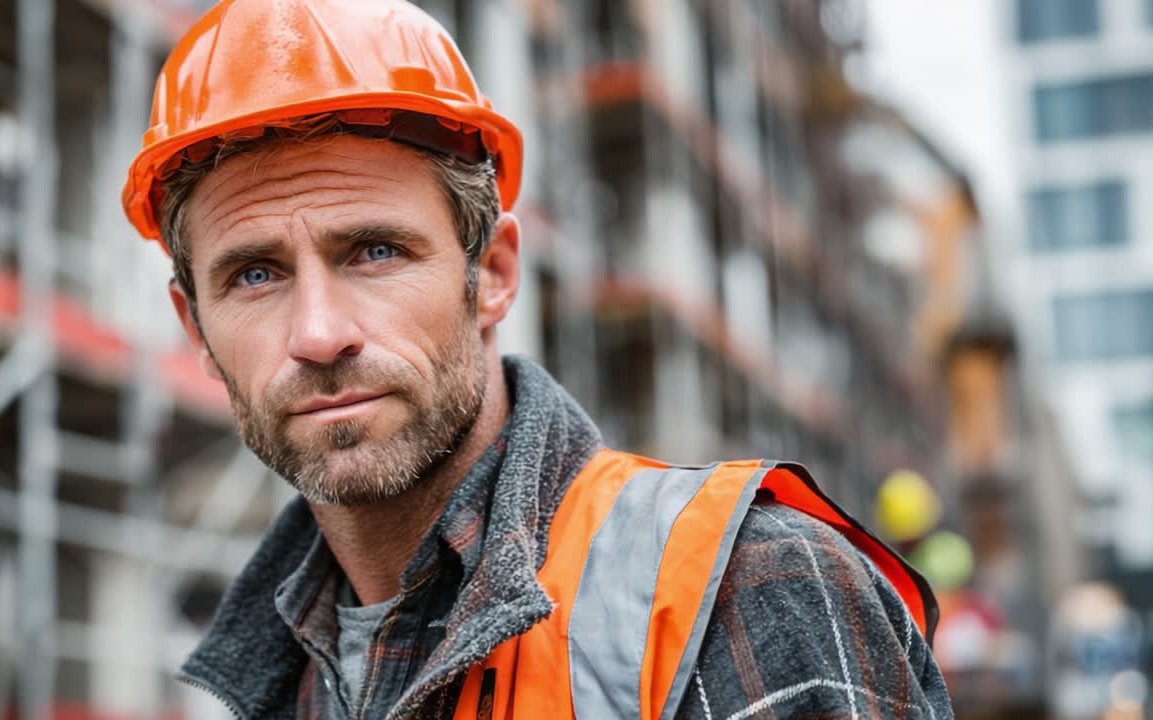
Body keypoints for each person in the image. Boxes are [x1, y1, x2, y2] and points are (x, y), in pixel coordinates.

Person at [121, 1, 953, 718]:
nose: (318, 332)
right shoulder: (281, 669)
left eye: (374, 251)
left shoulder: (749, 588)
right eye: (254, 274)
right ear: (195, 328)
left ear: (492, 276)